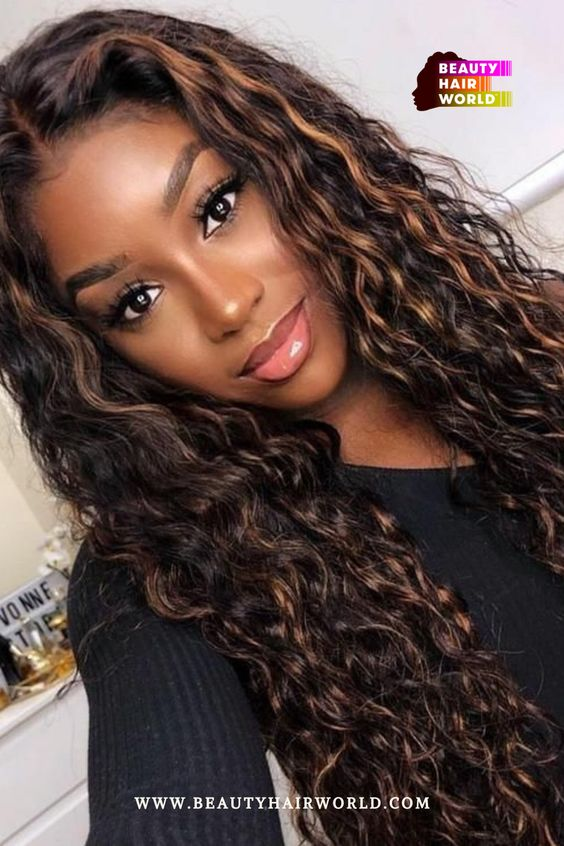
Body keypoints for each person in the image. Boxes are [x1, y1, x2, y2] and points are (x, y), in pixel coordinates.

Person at [0, 8, 563, 845]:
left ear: (290, 159)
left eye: (218, 207)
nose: (228, 305)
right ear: (99, 358)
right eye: (137, 300)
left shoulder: (539, 333)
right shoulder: (160, 572)